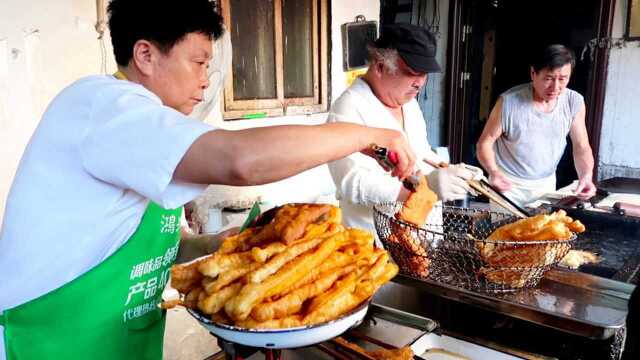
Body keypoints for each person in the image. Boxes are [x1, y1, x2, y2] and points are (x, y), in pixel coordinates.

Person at [0, 1, 416, 359]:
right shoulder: (105, 106)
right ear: (145, 54)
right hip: (54, 339)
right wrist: (367, 136)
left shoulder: (147, 135)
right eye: (198, 61)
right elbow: (241, 160)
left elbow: (145, 244)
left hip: (116, 342)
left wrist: (211, 245)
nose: (205, 78)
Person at [327, 24, 475, 233]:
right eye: (413, 72)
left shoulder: (409, 103)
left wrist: (446, 168)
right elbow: (351, 182)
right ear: (380, 66)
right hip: (377, 242)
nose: (420, 83)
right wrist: (425, 188)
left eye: (425, 74)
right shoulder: (347, 110)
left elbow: (419, 151)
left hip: (423, 235)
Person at [477, 44, 596, 208]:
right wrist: (494, 172)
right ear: (533, 73)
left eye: (562, 79)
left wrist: (586, 176)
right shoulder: (509, 102)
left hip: (545, 184)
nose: (555, 87)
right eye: (548, 78)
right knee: (506, 233)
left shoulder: (573, 101)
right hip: (508, 186)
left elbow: (581, 146)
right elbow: (484, 143)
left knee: (542, 231)